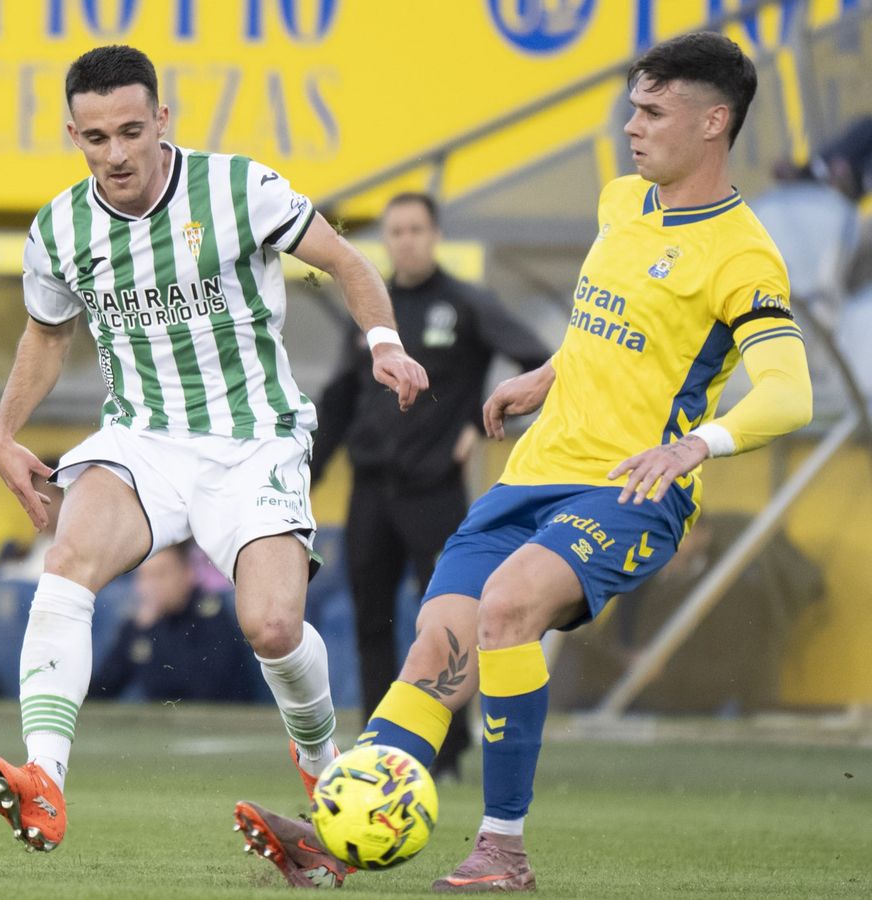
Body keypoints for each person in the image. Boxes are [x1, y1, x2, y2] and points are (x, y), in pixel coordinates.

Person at [237, 33, 814, 891]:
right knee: (437, 645)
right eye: (631, 108)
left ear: (713, 122)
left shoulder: (743, 255)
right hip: (532, 476)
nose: (631, 126)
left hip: (629, 489)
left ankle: (503, 849)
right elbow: (611, 330)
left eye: (653, 112)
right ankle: (336, 840)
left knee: (506, 607)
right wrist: (545, 375)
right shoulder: (623, 203)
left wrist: (697, 444)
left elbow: (790, 394)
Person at [0, 44, 428, 861]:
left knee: (273, 627)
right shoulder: (59, 230)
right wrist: (2, 431)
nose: (115, 153)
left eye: (131, 132)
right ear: (73, 135)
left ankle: (324, 774)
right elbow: (47, 334)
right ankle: (44, 779)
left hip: (254, 439)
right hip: (142, 438)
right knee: (67, 562)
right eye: (96, 137)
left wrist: (384, 344)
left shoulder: (239, 189)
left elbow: (344, 259)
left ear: (162, 121)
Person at [311, 192, 551, 780]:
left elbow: (536, 358)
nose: (407, 240)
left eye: (416, 229)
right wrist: (306, 475)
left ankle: (445, 750)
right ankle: (379, 747)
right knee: (371, 621)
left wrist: (477, 421)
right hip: (371, 489)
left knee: (448, 623)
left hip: (434, 491)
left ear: (435, 235)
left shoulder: (465, 303)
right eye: (396, 231)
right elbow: (340, 398)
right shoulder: (372, 313)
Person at [548, 511, 824, 714]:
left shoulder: (734, 591)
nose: (667, 546)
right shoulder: (639, 584)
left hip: (693, 701)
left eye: (680, 534)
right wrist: (623, 659)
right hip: (633, 695)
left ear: (705, 534)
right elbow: (611, 641)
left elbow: (738, 672)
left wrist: (666, 673)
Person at [89, 542, 258, 703]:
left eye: (160, 575)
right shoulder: (139, 624)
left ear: (188, 573)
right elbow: (104, 687)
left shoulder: (210, 615)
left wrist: (151, 630)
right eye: (144, 577)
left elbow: (202, 689)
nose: (151, 586)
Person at [0, 454, 63, 582]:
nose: (45, 506)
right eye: (37, 496)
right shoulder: (14, 554)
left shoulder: (88, 558)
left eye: (55, 495)